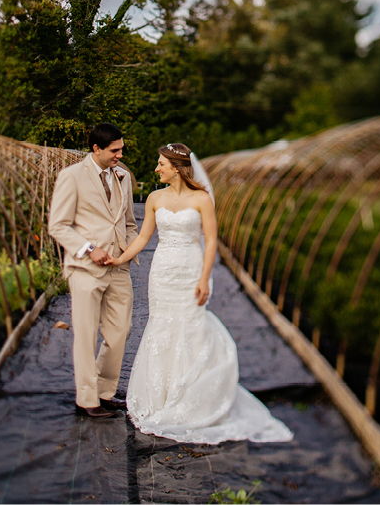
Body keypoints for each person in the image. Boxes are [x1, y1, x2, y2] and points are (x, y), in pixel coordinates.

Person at [111, 143, 293, 443]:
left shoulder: (202, 199)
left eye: (161, 164)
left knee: (191, 325)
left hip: (190, 268)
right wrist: (120, 259)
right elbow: (144, 236)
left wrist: (205, 278)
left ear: (177, 168)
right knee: (162, 326)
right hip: (162, 271)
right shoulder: (155, 198)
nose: (156, 169)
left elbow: (210, 241)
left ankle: (192, 395)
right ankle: (162, 397)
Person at [47, 123, 138, 418]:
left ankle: (105, 392)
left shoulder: (123, 177)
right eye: (114, 150)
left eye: (121, 149)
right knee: (86, 336)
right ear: (96, 148)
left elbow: (127, 222)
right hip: (86, 268)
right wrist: (89, 248)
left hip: (118, 267)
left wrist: (129, 250)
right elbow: (58, 225)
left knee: (119, 333)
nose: (119, 155)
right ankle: (87, 400)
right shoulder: (71, 177)